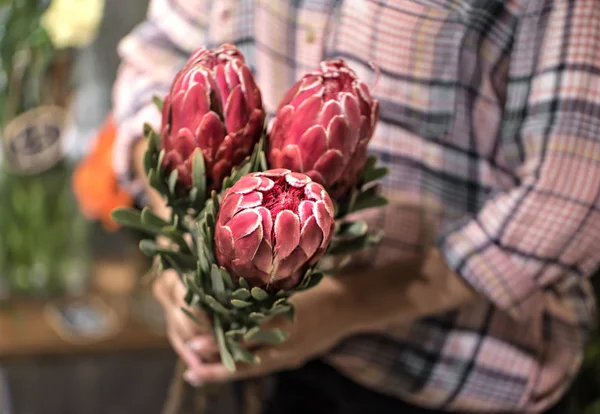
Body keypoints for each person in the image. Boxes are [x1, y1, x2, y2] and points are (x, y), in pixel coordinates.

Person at [112, 0, 600, 412]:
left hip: (448, 374)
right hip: (265, 376)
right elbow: (157, 57)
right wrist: (182, 245)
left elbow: (573, 193)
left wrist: (348, 304)